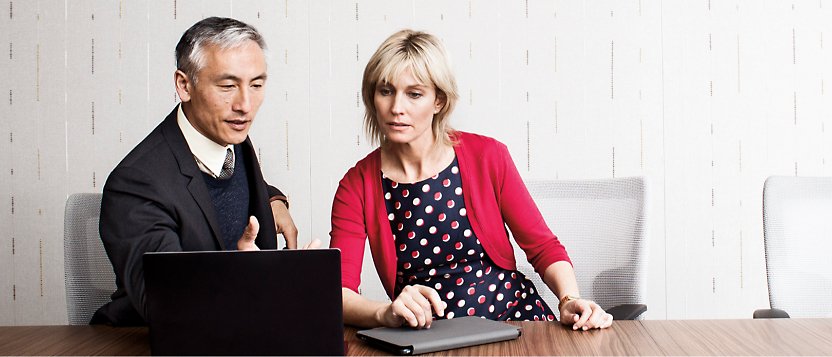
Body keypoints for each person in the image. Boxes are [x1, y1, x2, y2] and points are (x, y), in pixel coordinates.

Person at [329, 29, 613, 331]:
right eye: (386, 91)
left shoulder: (488, 156)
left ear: (438, 100)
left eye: (414, 94)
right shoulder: (356, 185)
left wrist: (569, 299)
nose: (397, 107)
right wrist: (384, 313)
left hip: (517, 323)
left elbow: (543, 247)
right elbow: (339, 293)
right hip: (431, 339)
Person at [92, 17, 306, 326]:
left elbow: (219, 184)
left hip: (241, 333)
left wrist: (273, 199)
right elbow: (170, 304)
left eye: (257, 84)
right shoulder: (135, 183)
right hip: (150, 343)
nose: (245, 104)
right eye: (228, 86)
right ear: (184, 85)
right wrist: (248, 279)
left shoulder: (230, 136)